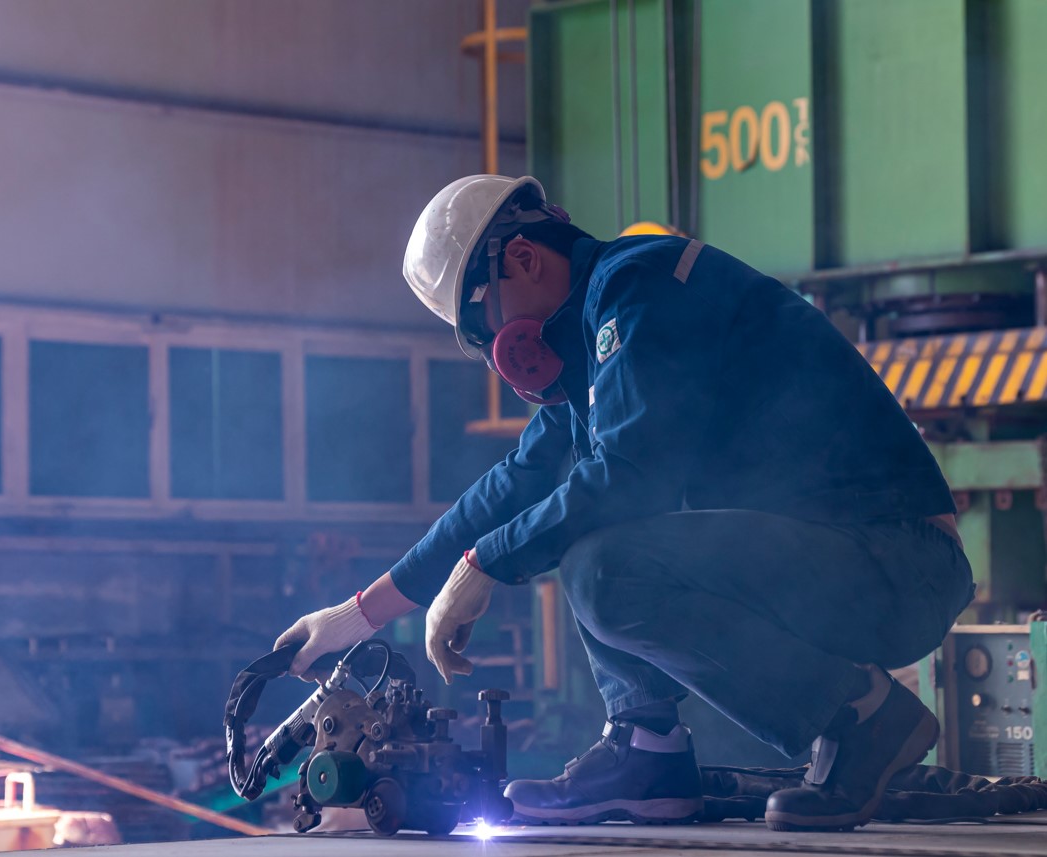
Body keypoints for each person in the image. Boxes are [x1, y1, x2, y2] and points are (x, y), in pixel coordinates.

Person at [274, 175, 975, 832]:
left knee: (604, 564)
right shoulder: (590, 338)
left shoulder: (642, 288)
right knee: (592, 544)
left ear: (522, 258)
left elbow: (629, 478)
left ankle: (860, 714)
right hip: (834, 558)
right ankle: (649, 752)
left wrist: (487, 564)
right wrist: (356, 616)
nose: (496, 351)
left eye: (484, 327)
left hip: (897, 561)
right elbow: (515, 484)